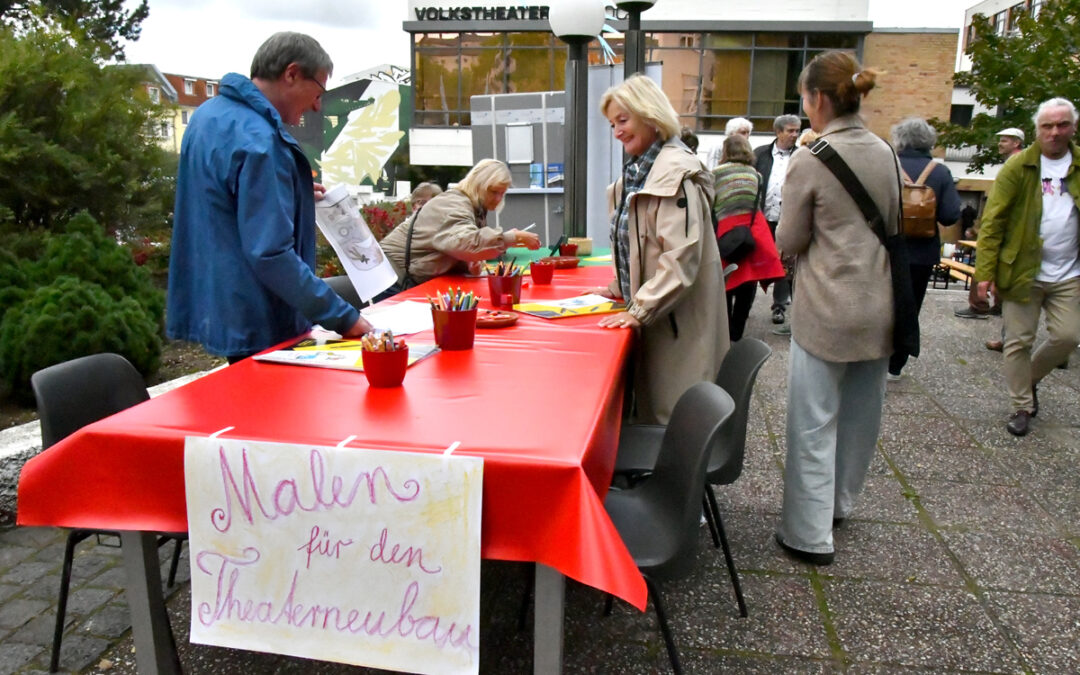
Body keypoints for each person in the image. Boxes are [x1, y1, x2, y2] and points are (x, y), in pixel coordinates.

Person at [167, 32, 373, 363]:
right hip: (260, 317)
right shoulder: (261, 142)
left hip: (216, 302)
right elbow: (270, 253)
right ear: (291, 74)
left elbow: (221, 199)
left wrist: (290, 189)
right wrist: (344, 318)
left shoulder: (207, 117)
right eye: (319, 91)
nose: (318, 105)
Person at [774, 51, 898, 565]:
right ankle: (840, 505)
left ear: (818, 98)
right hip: (880, 302)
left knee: (813, 421)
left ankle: (808, 533)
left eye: (805, 99)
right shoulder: (885, 151)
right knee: (861, 416)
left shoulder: (811, 157)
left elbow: (790, 238)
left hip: (826, 306)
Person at [596, 74, 729, 424]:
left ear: (650, 114)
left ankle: (671, 478)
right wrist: (617, 290)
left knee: (670, 422)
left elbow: (679, 259)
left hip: (673, 326)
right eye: (613, 124)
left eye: (623, 120)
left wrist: (638, 310)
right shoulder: (642, 171)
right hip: (661, 318)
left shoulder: (673, 174)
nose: (617, 132)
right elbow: (641, 247)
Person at [973, 97, 1080, 437]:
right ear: (1037, 130)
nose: (1055, 132)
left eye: (1062, 124)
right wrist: (984, 273)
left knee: (1067, 337)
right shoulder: (1018, 168)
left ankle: (1029, 379)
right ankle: (1022, 405)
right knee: (1018, 340)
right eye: (1047, 126)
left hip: (1070, 271)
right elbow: (993, 223)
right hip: (1022, 270)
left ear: (1073, 127)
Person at [379, 159, 540, 288]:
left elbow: (455, 247)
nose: (498, 199)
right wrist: (513, 237)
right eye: (494, 192)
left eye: (502, 193)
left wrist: (469, 264)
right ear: (479, 186)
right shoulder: (454, 204)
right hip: (392, 278)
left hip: (401, 276)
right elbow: (468, 243)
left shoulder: (469, 205)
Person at [887, 118, 961, 381]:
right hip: (922, 253)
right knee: (911, 305)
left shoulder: (888, 166)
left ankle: (876, 354)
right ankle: (896, 364)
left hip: (888, 249)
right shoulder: (939, 173)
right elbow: (950, 215)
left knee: (884, 303)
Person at [712, 134, 784, 341]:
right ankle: (737, 333)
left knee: (725, 281)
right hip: (750, 232)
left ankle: (723, 334)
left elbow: (710, 205)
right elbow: (757, 203)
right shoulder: (756, 175)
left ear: (726, 151)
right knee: (747, 282)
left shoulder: (715, 174)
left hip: (724, 232)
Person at [957, 128, 1028, 323]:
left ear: (1016, 143)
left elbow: (999, 205)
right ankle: (998, 306)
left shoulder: (1015, 165)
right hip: (1010, 229)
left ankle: (979, 305)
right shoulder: (1018, 163)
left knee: (984, 263)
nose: (999, 144)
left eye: (1004, 140)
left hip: (1005, 229)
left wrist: (980, 228)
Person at [755, 114, 802, 328]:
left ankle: (779, 306)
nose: (795, 134)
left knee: (784, 265)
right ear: (778, 132)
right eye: (790, 130)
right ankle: (743, 303)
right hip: (762, 217)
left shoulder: (803, 157)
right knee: (756, 259)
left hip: (788, 218)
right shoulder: (760, 154)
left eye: (797, 130)